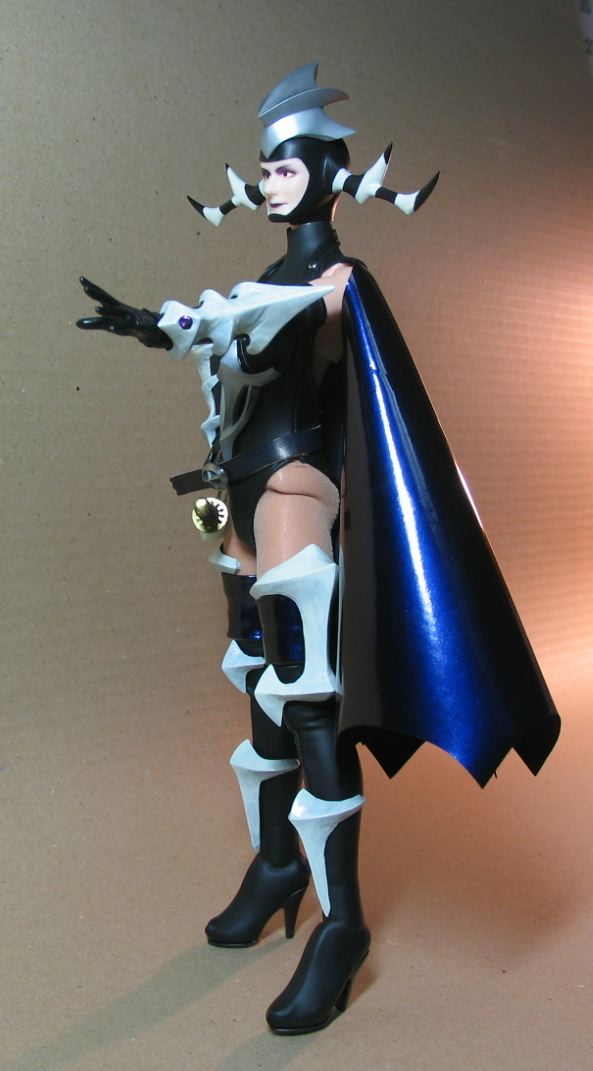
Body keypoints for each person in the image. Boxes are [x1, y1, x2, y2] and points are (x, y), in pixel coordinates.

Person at [78, 63, 560, 1035]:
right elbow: (233, 343)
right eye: (263, 168)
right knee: (253, 678)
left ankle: (341, 926)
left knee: (306, 696)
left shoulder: (337, 282)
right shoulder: (265, 279)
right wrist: (173, 333)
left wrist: (171, 321)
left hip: (298, 488)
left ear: (327, 176)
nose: (268, 181)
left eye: (285, 167)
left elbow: (262, 327)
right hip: (233, 492)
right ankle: (275, 866)